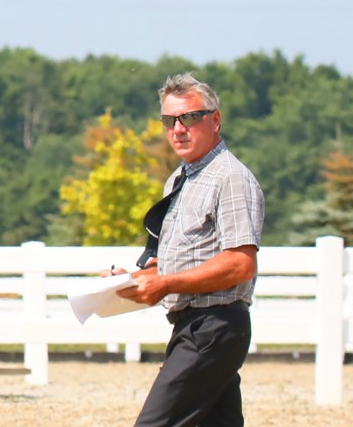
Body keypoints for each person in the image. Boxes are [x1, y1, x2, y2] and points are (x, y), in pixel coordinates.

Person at [107, 73, 264, 426]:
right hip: (194, 326)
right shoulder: (180, 179)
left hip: (213, 326)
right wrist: (128, 280)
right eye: (169, 120)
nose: (178, 129)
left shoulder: (231, 178)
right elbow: (175, 262)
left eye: (190, 118)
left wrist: (164, 285)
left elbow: (240, 264)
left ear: (215, 120)